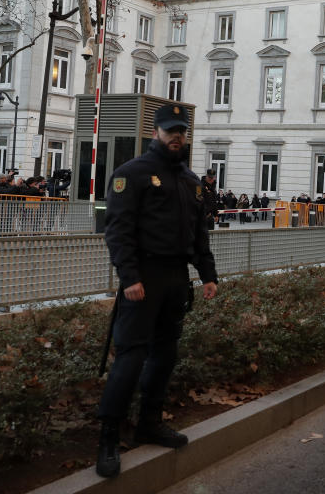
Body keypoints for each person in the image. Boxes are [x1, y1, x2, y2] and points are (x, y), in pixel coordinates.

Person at [96, 104, 218, 479]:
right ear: (156, 133)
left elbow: (198, 235)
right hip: (143, 279)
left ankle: (149, 423)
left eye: (181, 131)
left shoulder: (192, 182)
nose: (176, 137)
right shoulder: (131, 175)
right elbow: (118, 231)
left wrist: (208, 274)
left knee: (165, 356)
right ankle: (108, 438)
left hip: (176, 278)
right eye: (170, 131)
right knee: (130, 359)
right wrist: (129, 276)